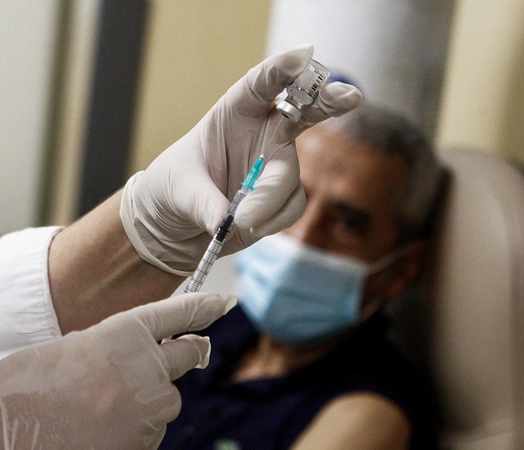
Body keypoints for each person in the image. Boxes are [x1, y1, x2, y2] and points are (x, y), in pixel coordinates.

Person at [0, 44, 363, 449]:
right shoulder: (223, 332)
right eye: (308, 201)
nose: (305, 237)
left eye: (348, 223)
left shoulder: (361, 405)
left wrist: (143, 231)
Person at [158, 103, 445, 449]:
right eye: (291, 200)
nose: (301, 238)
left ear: (402, 269)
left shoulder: (366, 416)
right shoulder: (216, 328)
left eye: (347, 224)